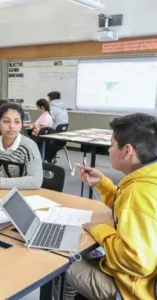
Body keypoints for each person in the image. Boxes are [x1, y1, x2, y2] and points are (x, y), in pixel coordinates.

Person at [66, 113, 157, 300]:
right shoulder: (148, 177)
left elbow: (137, 261)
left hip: (134, 289)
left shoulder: (138, 193)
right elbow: (126, 206)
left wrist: (100, 231)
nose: (108, 150)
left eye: (112, 144)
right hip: (144, 278)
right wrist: (102, 183)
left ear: (127, 151)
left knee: (61, 264)